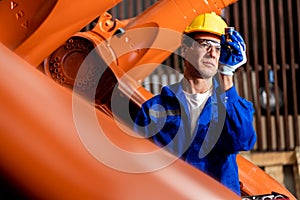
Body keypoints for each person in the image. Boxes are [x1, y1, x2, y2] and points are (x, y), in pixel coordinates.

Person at [134, 12, 256, 195]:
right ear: (185, 49)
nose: (212, 53)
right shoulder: (153, 110)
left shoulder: (233, 107)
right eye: (205, 44)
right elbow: (137, 164)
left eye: (218, 47)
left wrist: (227, 75)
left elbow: (242, 140)